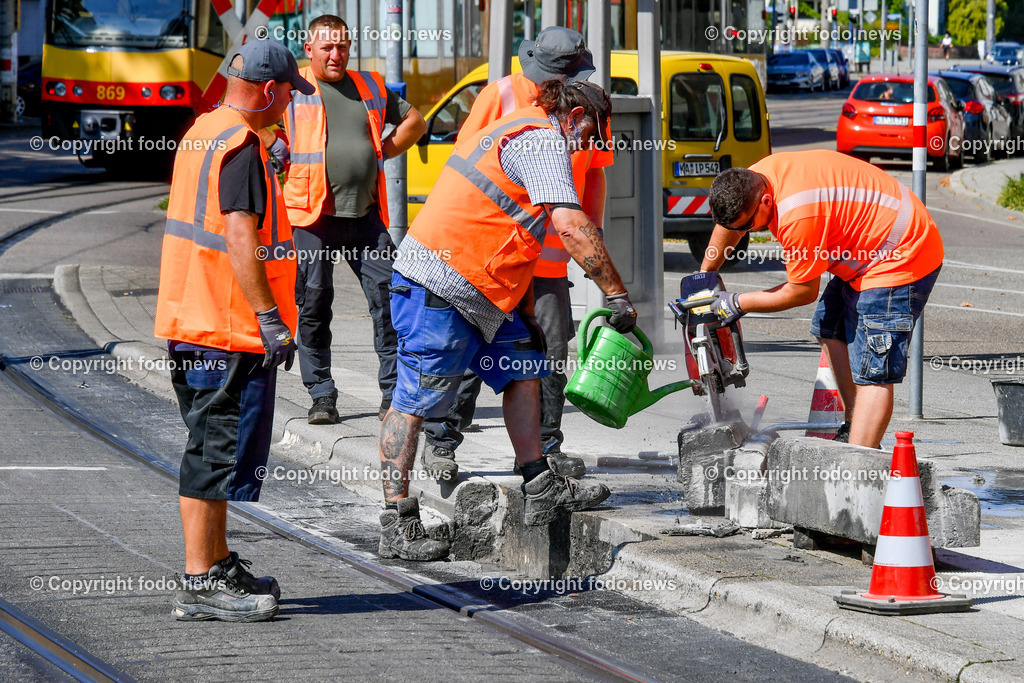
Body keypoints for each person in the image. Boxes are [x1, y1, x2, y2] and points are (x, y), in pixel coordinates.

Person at [377, 79, 636, 561]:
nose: (585, 148)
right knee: (415, 400)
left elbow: (517, 231)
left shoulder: (515, 129)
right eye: (589, 136)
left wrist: (526, 311)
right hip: (438, 282)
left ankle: (540, 488)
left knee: (525, 369)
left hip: (486, 288)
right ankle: (397, 523)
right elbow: (569, 225)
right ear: (575, 118)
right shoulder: (541, 139)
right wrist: (617, 293)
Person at [154, 39, 311, 621]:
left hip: (194, 317)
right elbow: (240, 235)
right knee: (213, 453)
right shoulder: (241, 147)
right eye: (289, 92)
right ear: (268, 90)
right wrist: (270, 318)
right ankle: (200, 583)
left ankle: (216, 563)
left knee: (213, 449)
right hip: (227, 327)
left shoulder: (206, 130)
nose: (291, 102)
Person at [420, 26, 612, 482]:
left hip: (549, 257)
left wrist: (594, 237)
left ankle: (543, 450)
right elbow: (463, 163)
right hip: (494, 256)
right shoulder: (500, 95)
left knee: (549, 354)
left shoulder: (587, 107)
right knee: (472, 347)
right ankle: (442, 443)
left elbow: (595, 173)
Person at [700, 150, 944, 450]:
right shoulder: (754, 178)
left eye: (747, 227)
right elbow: (730, 225)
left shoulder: (797, 215)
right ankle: (855, 428)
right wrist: (704, 275)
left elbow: (801, 291)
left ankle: (858, 463)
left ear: (766, 201)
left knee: (874, 371)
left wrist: (736, 303)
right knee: (830, 327)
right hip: (870, 246)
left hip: (900, 254)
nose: (743, 233)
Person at [281, 14, 426, 425]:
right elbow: (253, 121)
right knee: (314, 305)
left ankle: (394, 395)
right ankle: (322, 396)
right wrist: (275, 145)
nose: (335, 54)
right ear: (309, 49)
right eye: (327, 47)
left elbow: (415, 122)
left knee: (392, 301)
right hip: (312, 217)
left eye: (342, 46)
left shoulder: (371, 85)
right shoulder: (292, 87)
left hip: (365, 216)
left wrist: (382, 151)